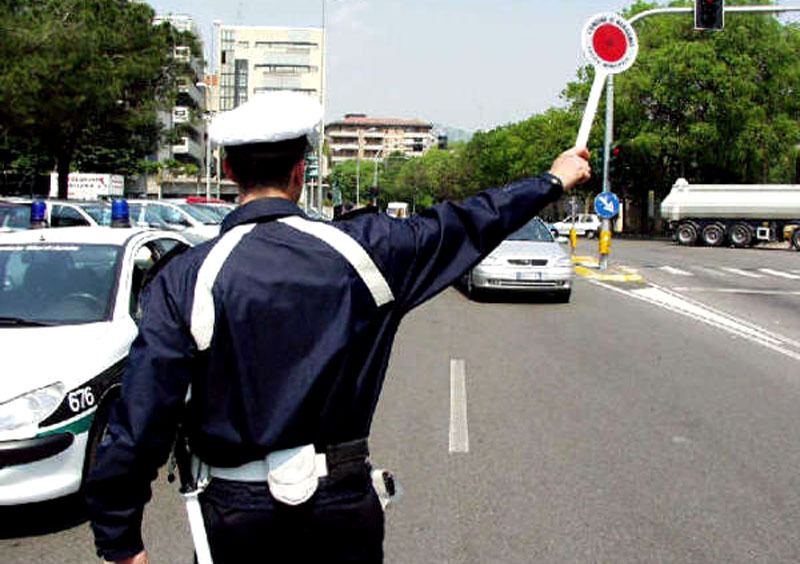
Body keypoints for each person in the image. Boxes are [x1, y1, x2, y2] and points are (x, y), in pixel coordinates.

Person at [85, 91, 590, 564]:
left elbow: (141, 416)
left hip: (235, 516)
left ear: (227, 168)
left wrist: (120, 537)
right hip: (344, 510)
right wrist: (551, 181)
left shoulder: (186, 277)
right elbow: (467, 221)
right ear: (301, 171)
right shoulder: (368, 251)